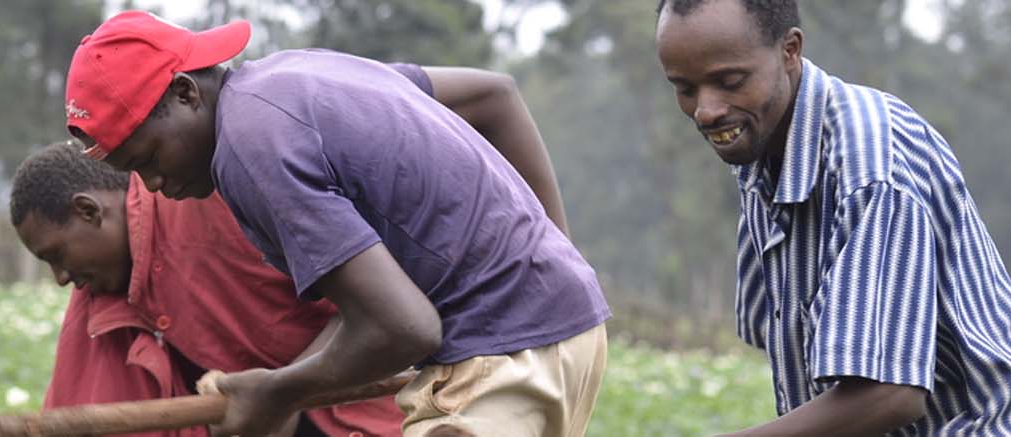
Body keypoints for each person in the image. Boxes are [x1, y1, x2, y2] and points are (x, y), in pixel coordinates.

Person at [61, 10, 611, 437]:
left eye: (149, 159)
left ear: (185, 92)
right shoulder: (302, 75)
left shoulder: (249, 150)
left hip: (499, 356)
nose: (153, 186)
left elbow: (405, 329)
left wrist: (279, 393)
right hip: (564, 335)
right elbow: (370, 312)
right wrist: (555, 266)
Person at [653, 0, 1011, 435]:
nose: (706, 110)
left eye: (729, 81)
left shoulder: (870, 168)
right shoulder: (759, 150)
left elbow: (889, 394)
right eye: (685, 88)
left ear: (790, 51)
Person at [9, 142, 404, 437]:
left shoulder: (215, 201)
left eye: (57, 255)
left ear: (88, 211)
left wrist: (285, 391)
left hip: (355, 409)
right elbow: (80, 403)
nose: (61, 277)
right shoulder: (101, 287)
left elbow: (374, 306)